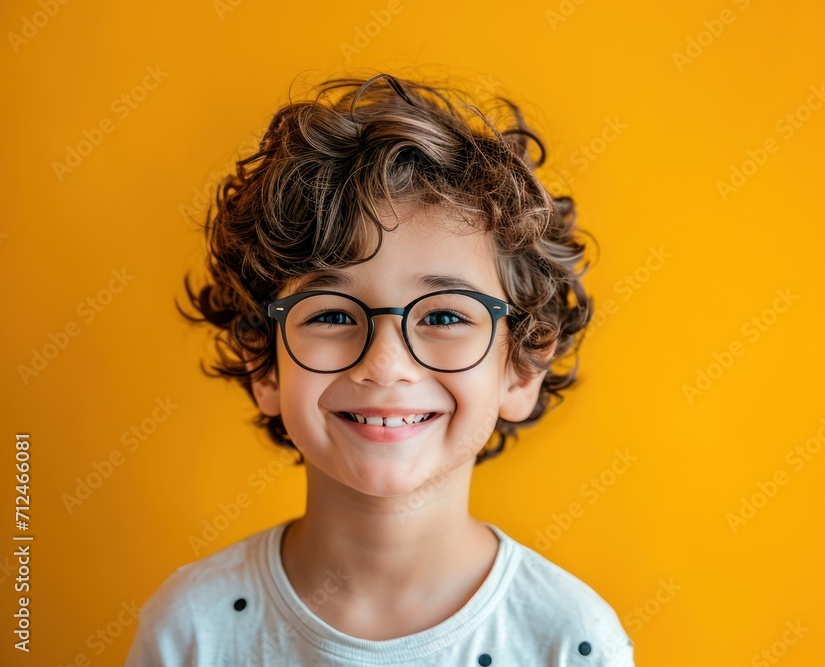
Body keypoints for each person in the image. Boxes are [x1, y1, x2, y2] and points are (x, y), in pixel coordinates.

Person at [125, 71, 635, 666]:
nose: (384, 364)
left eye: (444, 318)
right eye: (333, 315)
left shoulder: (570, 640)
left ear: (520, 371)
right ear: (264, 362)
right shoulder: (193, 629)